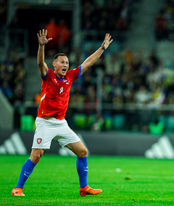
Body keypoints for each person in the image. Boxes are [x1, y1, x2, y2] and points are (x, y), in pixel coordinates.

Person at [11, 29, 113, 197]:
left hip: (61, 123)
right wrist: (41, 46)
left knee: (82, 152)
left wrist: (102, 48)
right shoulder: (48, 75)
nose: (66, 65)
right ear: (55, 64)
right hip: (45, 121)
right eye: (62, 62)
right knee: (36, 155)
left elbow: (87, 63)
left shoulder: (70, 76)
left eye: (67, 62)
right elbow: (39, 63)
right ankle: (18, 188)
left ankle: (84, 187)